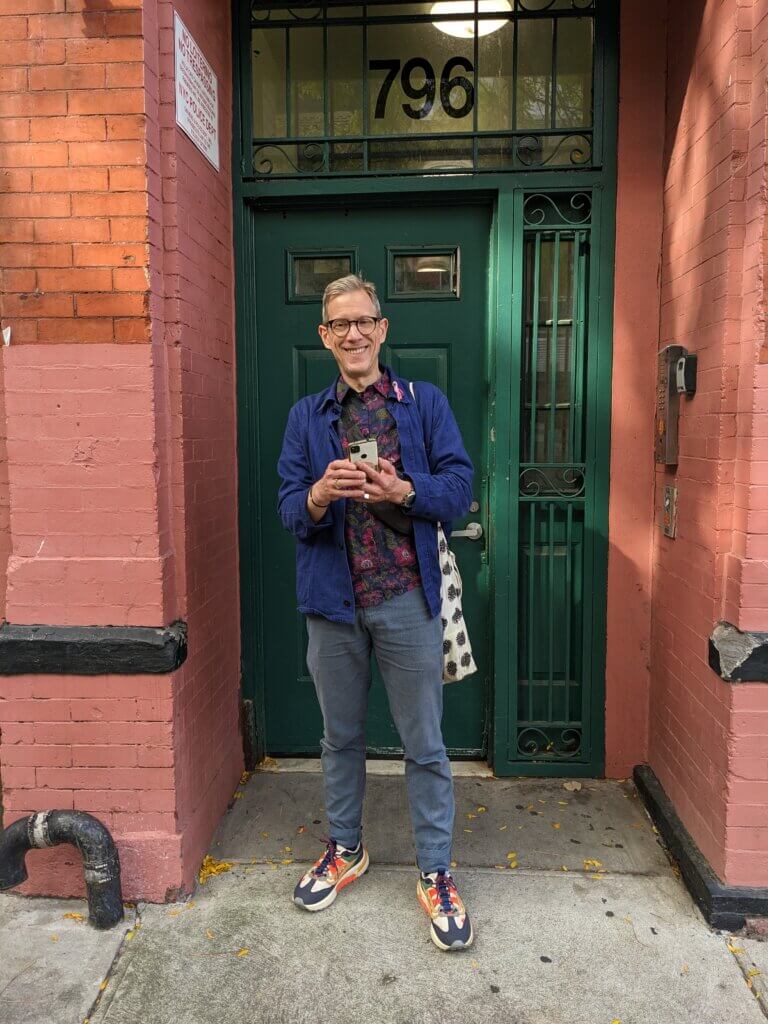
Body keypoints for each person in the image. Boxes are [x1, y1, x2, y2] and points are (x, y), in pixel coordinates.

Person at [277, 274, 475, 951]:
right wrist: (317, 496)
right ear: (325, 337)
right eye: (341, 324)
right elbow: (287, 509)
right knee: (339, 739)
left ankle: (435, 870)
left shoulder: (423, 404)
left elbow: (459, 489)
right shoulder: (307, 417)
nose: (354, 333)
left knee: (425, 744)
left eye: (364, 321)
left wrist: (404, 490)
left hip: (407, 601)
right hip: (332, 606)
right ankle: (345, 848)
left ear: (382, 330)